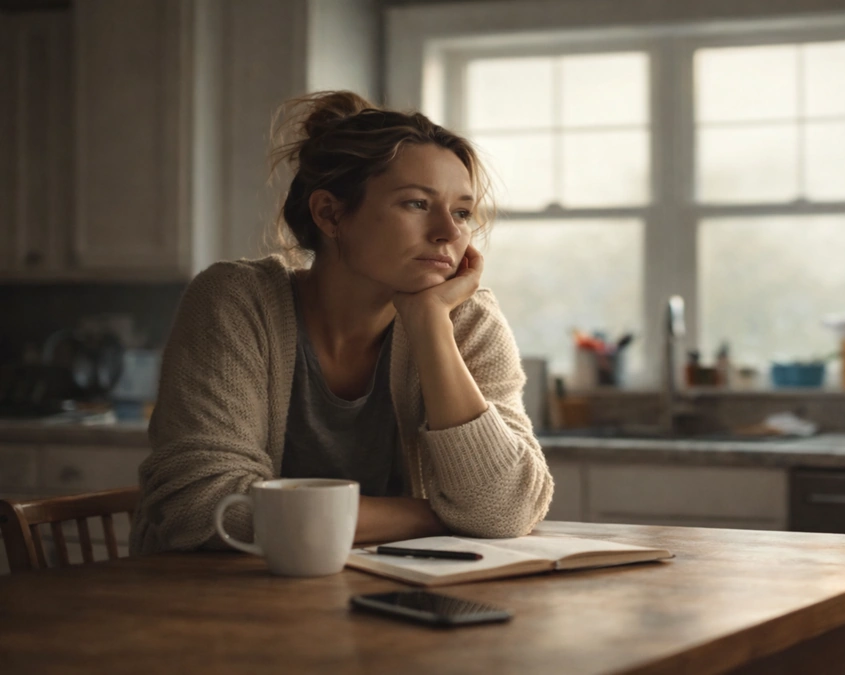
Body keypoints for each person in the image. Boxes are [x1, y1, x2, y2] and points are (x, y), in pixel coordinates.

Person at [131, 91, 553, 554]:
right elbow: (203, 508)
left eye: (461, 212)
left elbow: (505, 509)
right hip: (212, 603)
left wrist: (430, 323)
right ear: (330, 214)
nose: (449, 234)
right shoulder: (236, 303)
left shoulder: (467, 320)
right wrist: (440, 515)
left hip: (392, 601)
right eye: (416, 204)